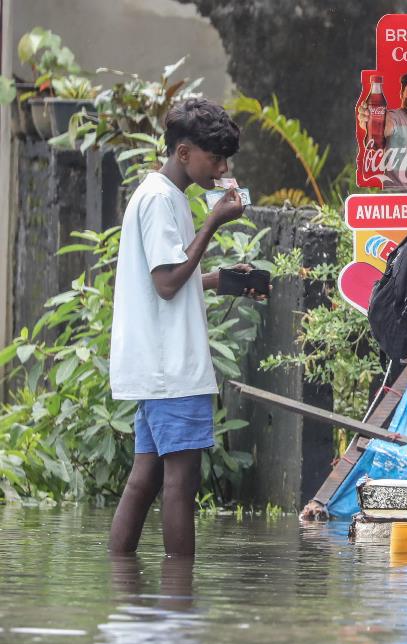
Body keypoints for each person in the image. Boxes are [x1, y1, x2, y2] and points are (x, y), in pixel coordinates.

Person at [107, 98, 265, 557]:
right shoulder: (160, 200)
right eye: (215, 158)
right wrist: (214, 221)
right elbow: (168, 283)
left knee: (147, 478)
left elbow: (174, 272)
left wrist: (223, 281)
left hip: (161, 368)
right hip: (170, 369)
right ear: (183, 153)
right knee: (181, 483)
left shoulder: (165, 195)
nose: (223, 168)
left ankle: (123, 581)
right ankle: (179, 599)